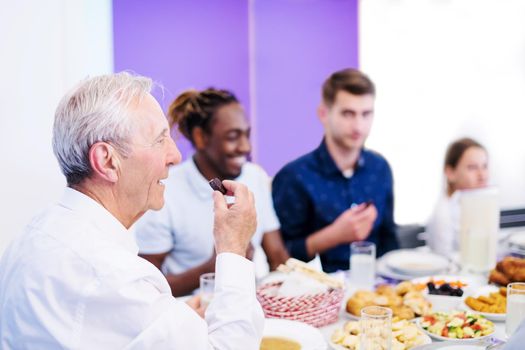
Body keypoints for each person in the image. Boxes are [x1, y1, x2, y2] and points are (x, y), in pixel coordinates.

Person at [0, 73, 264, 349]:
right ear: (107, 161)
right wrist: (233, 248)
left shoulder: (32, 235)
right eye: (160, 140)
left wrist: (173, 321)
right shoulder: (114, 276)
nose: (174, 156)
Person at [134, 88, 289, 296]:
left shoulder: (255, 177)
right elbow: (146, 288)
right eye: (233, 137)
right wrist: (219, 262)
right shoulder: (165, 190)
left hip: (248, 304)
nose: (245, 147)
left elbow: (277, 255)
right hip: (193, 315)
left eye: (247, 135)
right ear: (200, 137)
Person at [272, 68, 399, 273]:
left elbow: (389, 240)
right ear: (324, 114)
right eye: (348, 114)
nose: (358, 125)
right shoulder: (294, 177)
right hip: (314, 294)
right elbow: (279, 258)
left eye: (366, 114)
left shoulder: (380, 168)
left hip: (374, 290)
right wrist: (334, 235)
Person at [426, 137, 489, 257]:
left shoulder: (481, 205)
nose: (482, 175)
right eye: (472, 167)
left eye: (485, 166)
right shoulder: (444, 214)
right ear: (450, 173)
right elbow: (444, 263)